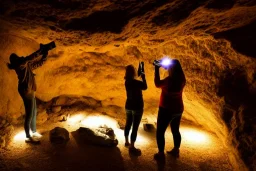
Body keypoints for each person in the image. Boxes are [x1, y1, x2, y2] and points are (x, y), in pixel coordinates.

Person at [7, 46, 48, 143]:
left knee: (33, 111)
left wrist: (45, 54)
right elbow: (29, 58)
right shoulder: (20, 65)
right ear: (16, 61)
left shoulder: (26, 65)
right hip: (26, 91)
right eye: (18, 57)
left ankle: (33, 131)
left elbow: (38, 64)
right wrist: (41, 51)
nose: (21, 57)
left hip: (31, 89)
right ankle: (28, 137)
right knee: (29, 114)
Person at [153, 59, 186, 160]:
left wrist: (156, 68)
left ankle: (161, 154)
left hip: (166, 109)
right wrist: (164, 65)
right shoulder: (182, 79)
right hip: (178, 109)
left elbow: (157, 83)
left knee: (160, 132)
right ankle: (176, 150)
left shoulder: (169, 80)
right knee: (175, 130)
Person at [124, 64, 147, 155]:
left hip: (128, 105)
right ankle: (132, 146)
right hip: (137, 106)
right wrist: (143, 77)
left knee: (128, 123)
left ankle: (126, 141)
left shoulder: (127, 82)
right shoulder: (136, 83)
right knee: (135, 126)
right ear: (133, 72)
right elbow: (145, 87)